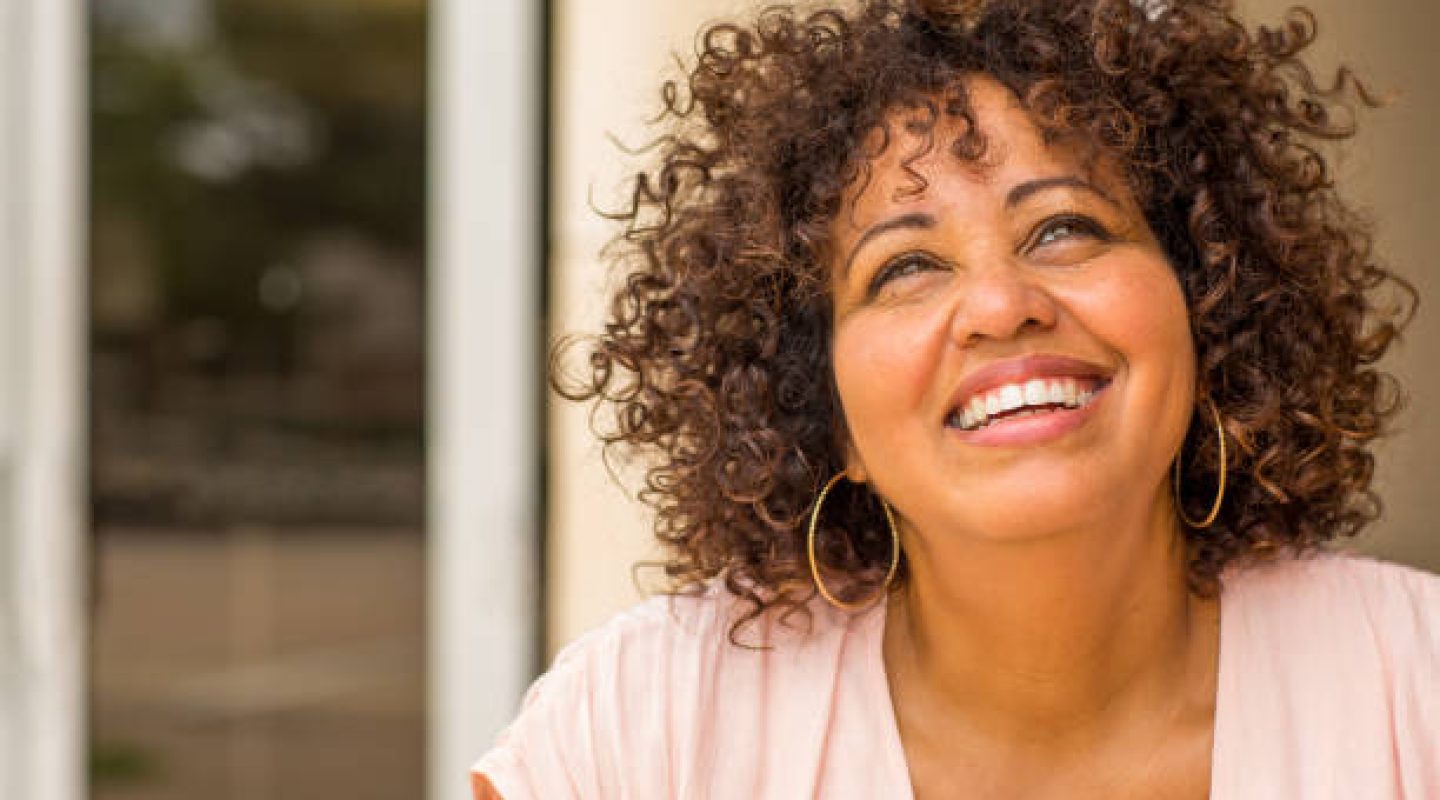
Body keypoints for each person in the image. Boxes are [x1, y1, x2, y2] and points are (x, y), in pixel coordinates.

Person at [474, 0, 1438, 796]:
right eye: (904, 268)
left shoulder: (1415, 686)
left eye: (1065, 228)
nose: (999, 306)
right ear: (824, 412)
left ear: (1208, 304)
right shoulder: (648, 726)